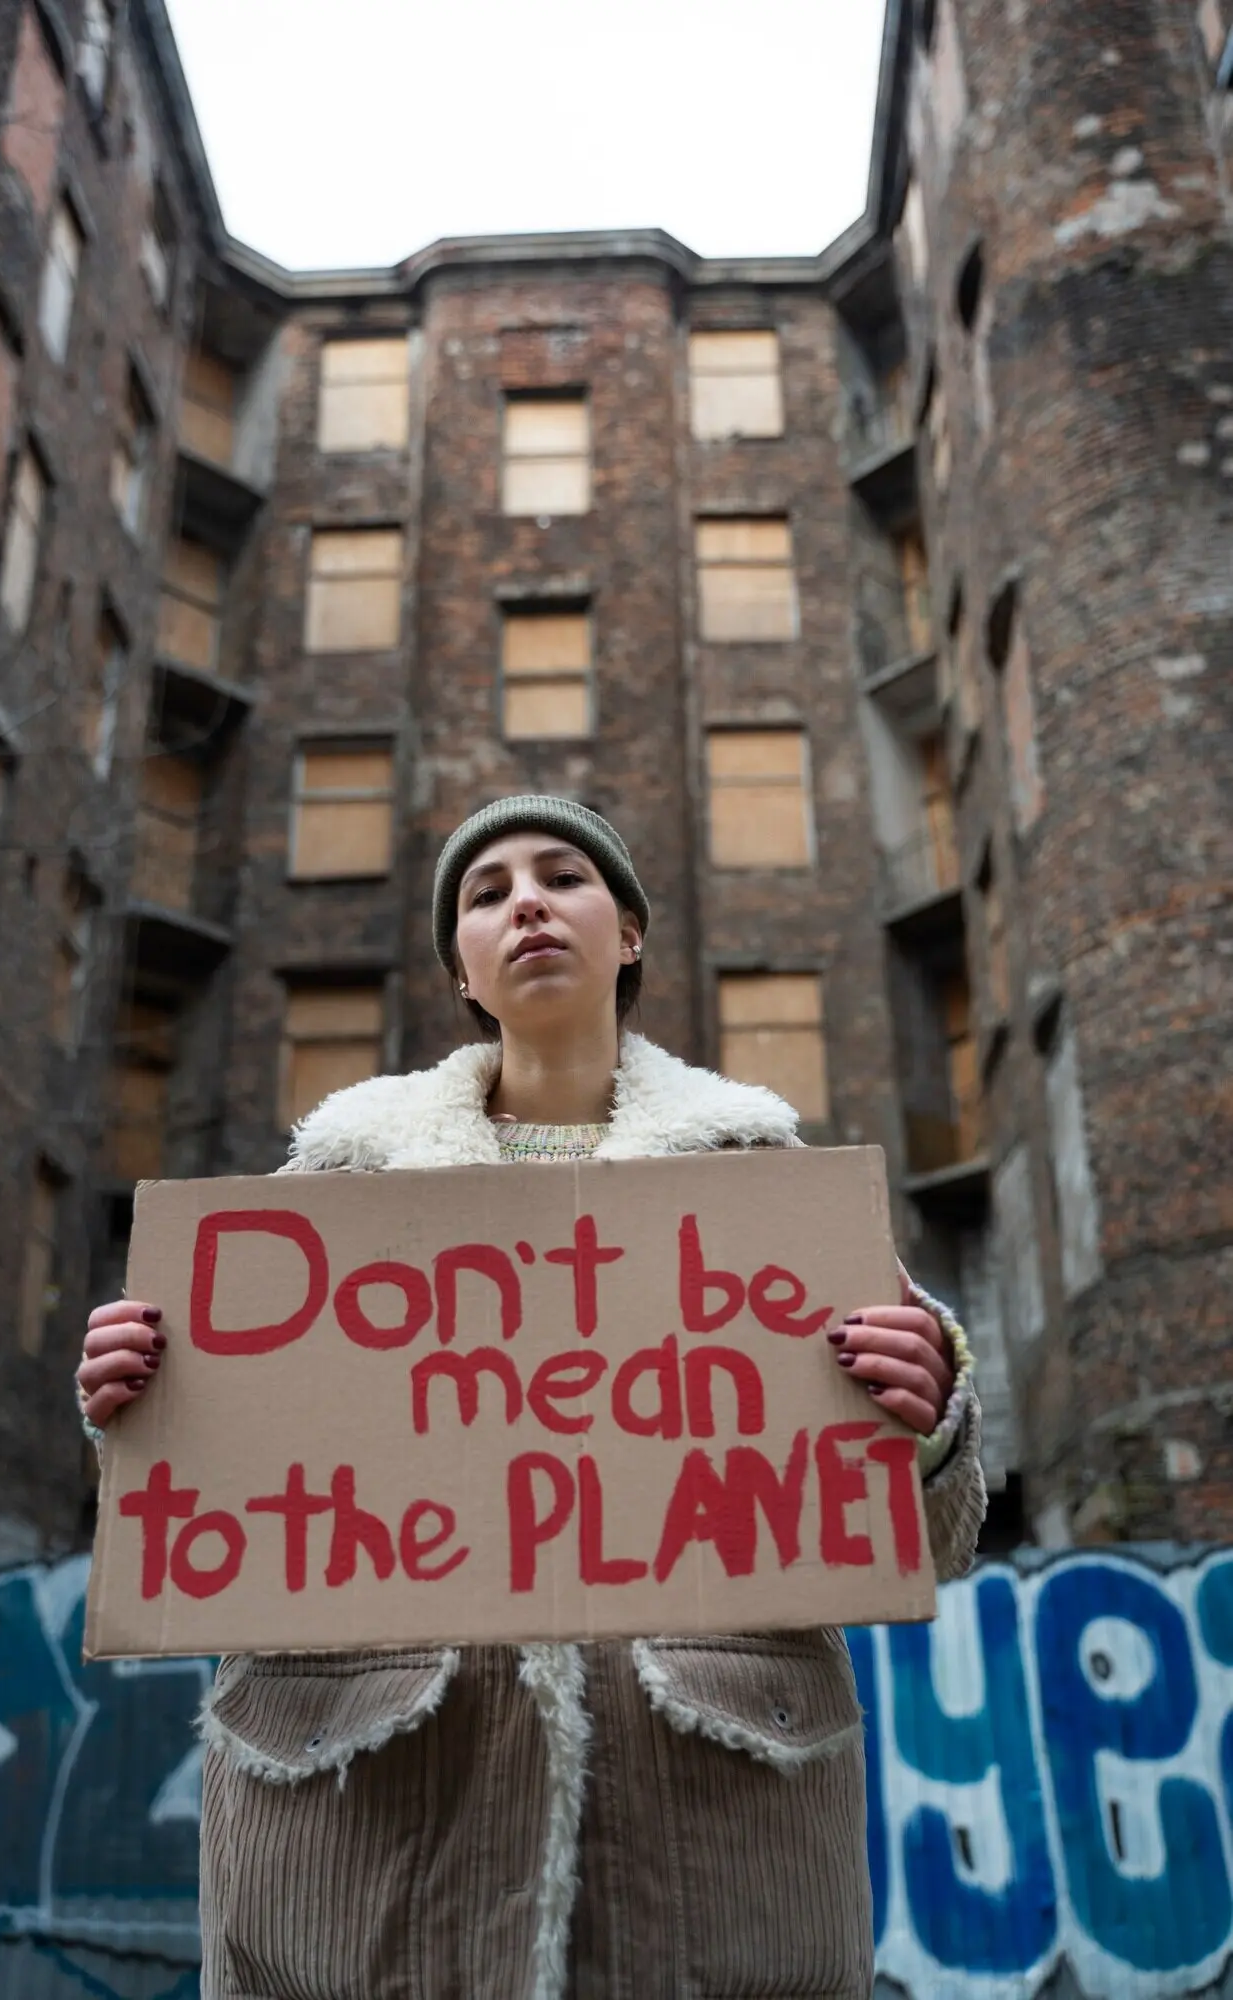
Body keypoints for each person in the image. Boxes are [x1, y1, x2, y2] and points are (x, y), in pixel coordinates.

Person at [77, 795, 985, 2000]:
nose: (526, 902)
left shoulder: (771, 1192)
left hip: (712, 1847)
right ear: (460, 962)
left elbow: (936, 1539)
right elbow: (222, 1519)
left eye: (564, 875)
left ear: (629, 934)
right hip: (365, 1838)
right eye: (486, 891)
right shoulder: (326, 1192)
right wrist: (134, 1398)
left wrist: (925, 1422)